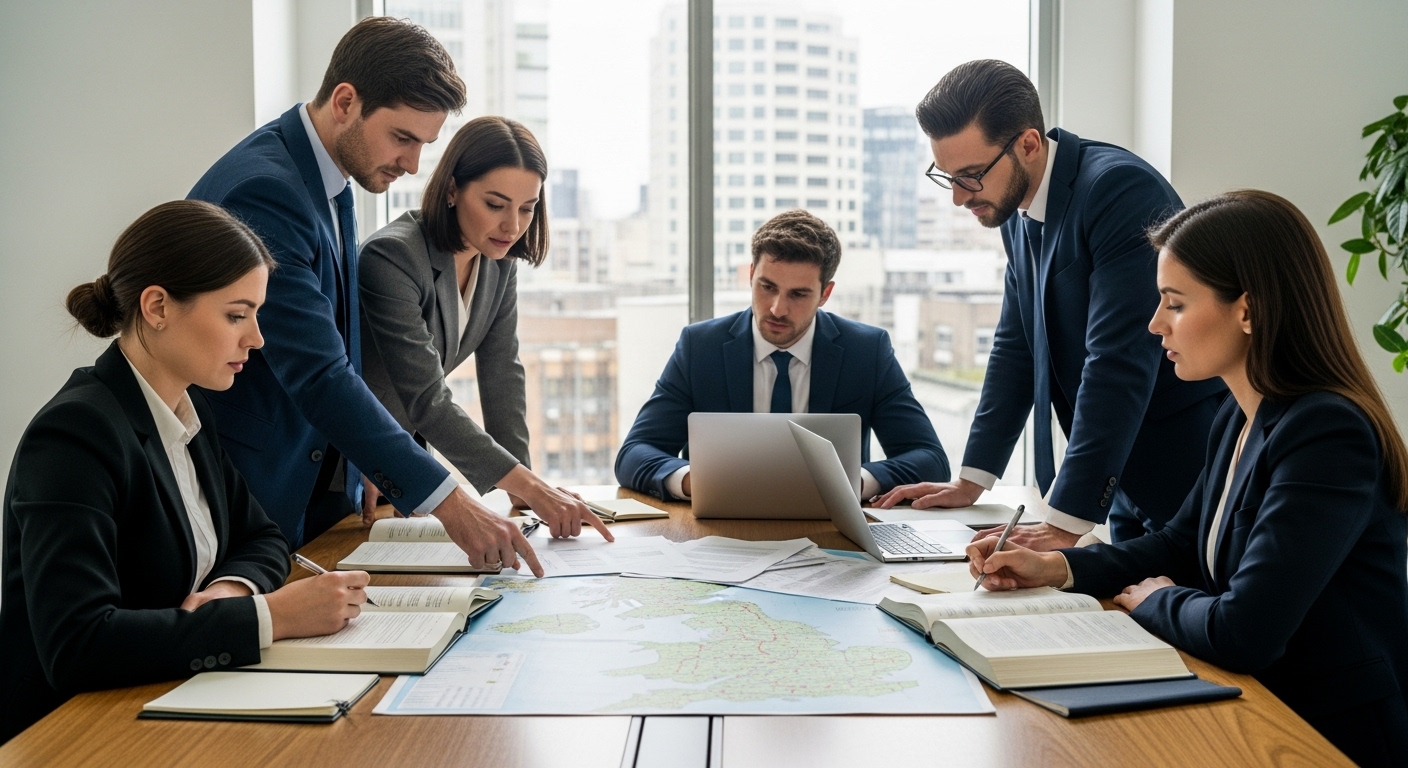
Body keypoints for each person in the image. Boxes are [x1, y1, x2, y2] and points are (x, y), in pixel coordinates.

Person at [967, 191, 1408, 768]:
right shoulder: (1238, 413)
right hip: (1256, 701)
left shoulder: (1328, 433)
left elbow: (1244, 630)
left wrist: (1158, 598)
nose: (1154, 324)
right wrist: (1057, 568)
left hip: (1321, 733)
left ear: (1247, 311)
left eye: (1174, 305)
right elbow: (1180, 542)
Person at [0, 201, 372, 744]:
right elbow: (77, 644)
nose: (256, 339)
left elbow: (262, 536)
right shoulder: (74, 434)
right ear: (157, 306)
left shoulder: (185, 412)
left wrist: (230, 589)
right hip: (74, 734)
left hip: (161, 704)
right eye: (235, 315)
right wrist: (269, 617)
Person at [187, 17, 542, 574]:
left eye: (423, 144)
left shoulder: (329, 179)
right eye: (403, 138)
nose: (412, 164)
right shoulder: (269, 191)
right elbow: (319, 372)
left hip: (321, 482)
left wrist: (365, 464)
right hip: (252, 485)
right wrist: (449, 501)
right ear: (346, 101)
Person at [877, 59, 1225, 548]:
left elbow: (1117, 361)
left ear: (1028, 144)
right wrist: (971, 480)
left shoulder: (1119, 191)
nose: (958, 197)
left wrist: (1063, 522)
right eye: (948, 176)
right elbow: (1016, 345)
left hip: (1181, 465)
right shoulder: (1016, 207)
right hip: (1120, 478)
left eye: (971, 176)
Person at [359, 116, 611, 540]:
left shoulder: (499, 263)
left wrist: (526, 490)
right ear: (453, 189)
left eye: (527, 208)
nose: (512, 226)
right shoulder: (392, 257)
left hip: (395, 466)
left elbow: (502, 373)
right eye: (495, 205)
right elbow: (427, 398)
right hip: (348, 460)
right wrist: (530, 485)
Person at [617, 210, 948, 501]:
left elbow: (930, 459)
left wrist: (857, 482)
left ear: (825, 294)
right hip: (719, 532)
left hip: (832, 536)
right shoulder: (700, 347)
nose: (777, 308)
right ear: (750, 276)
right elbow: (634, 453)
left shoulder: (866, 351)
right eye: (767, 287)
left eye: (798, 294)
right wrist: (692, 481)